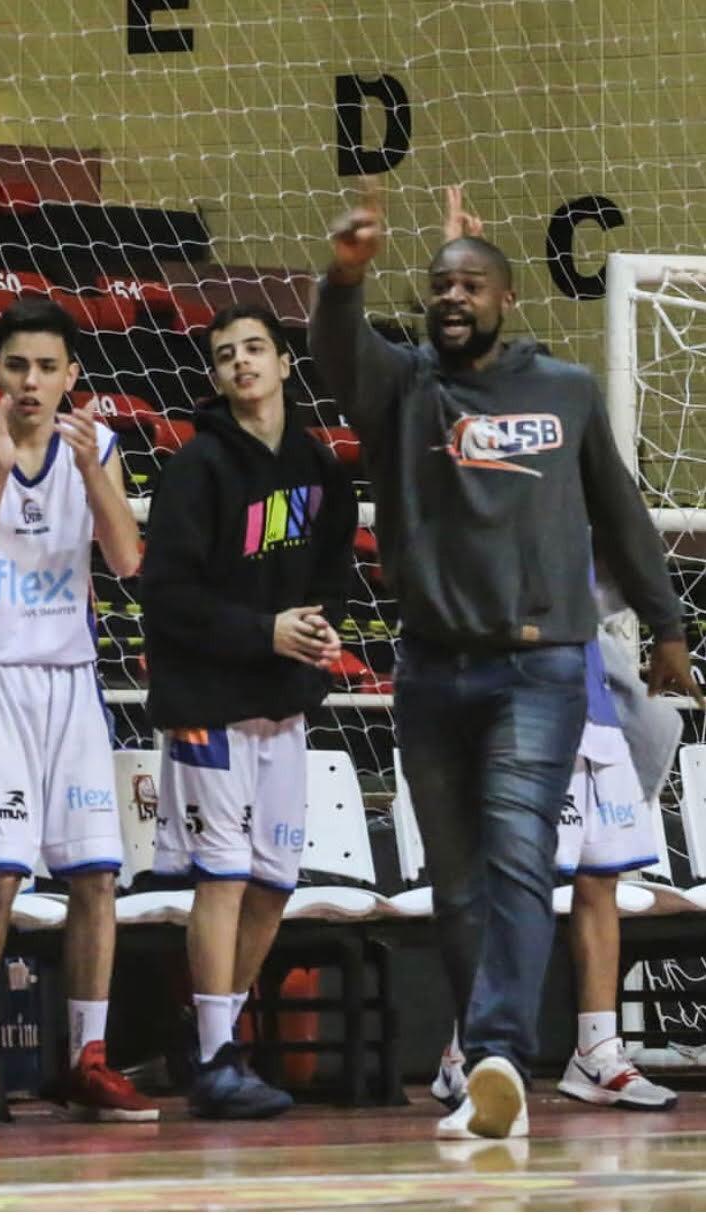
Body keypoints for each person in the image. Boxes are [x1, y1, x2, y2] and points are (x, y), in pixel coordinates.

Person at [309, 184, 701, 1141]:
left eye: (470, 284)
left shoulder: (564, 390)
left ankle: (495, 1055)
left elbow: (620, 509)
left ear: (505, 299)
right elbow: (333, 349)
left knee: (523, 855)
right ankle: (486, 1054)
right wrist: (346, 277)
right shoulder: (405, 390)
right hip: (430, 668)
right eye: (439, 284)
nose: (451, 296)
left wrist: (667, 627)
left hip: (538, 668)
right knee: (458, 881)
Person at [429, 193, 680, 1117]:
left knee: (601, 880)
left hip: (588, 698)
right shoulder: (486, 461)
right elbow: (454, 377)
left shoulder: (580, 476)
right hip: (508, 696)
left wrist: (653, 618)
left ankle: (597, 1050)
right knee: (509, 880)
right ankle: (468, 1044)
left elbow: (616, 582)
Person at [0, 297, 157, 1122]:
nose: (30, 381)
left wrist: (93, 472)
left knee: (96, 873)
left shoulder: (101, 448)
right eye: (17, 365)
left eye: (47, 367)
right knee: (1, 875)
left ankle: (90, 1056)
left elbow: (128, 559)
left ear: (71, 377)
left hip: (68, 677)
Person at [142, 304, 357, 1118]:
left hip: (282, 704)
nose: (242, 363)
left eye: (255, 349)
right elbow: (164, 595)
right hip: (208, 703)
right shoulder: (197, 466)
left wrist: (320, 620)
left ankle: (214, 1037)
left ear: (284, 364)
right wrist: (262, 630)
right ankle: (212, 1053)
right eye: (226, 354)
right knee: (223, 877)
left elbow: (333, 559)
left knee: (273, 880)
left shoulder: (315, 464)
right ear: (214, 376)